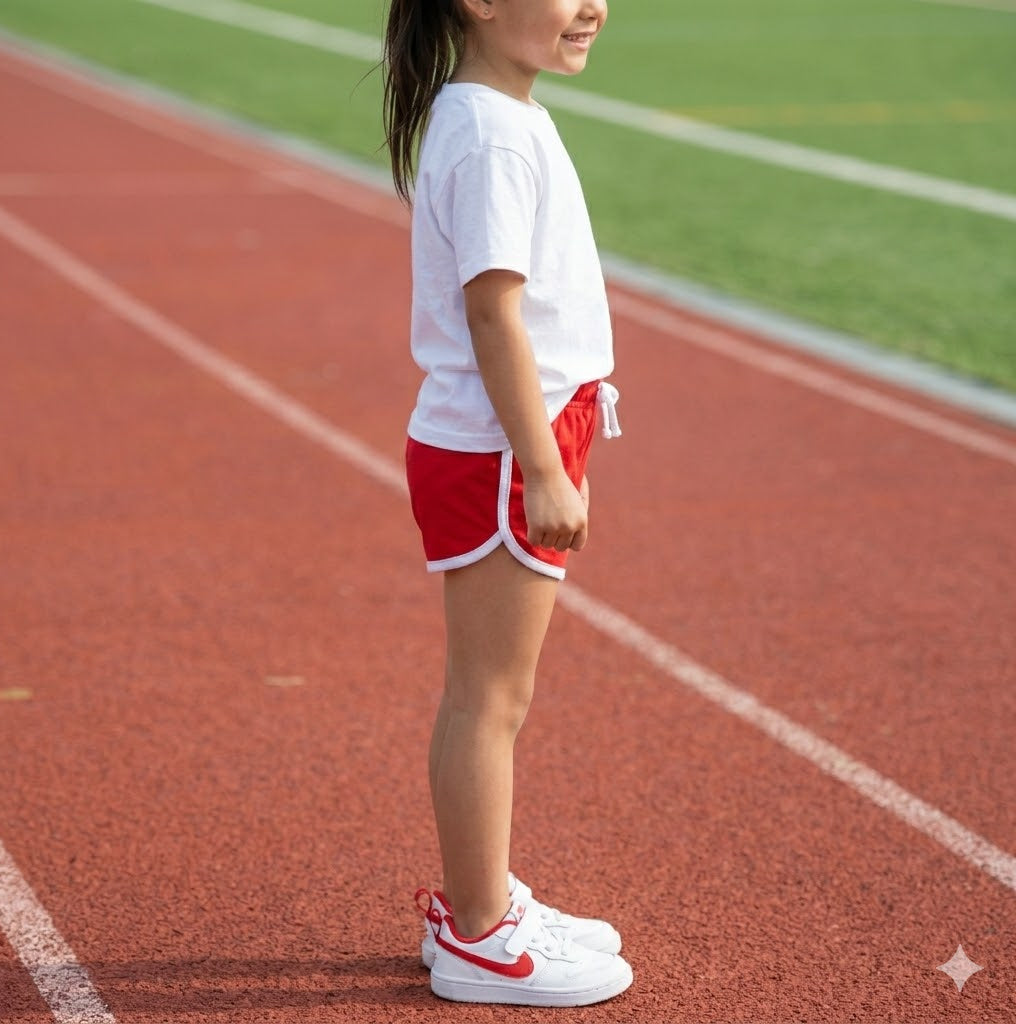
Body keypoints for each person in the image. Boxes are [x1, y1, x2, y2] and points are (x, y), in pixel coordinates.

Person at [382, 0, 632, 1007]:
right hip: (499, 447)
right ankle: (480, 936)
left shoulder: (498, 112)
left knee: (491, 694)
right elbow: (494, 312)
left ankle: (481, 902)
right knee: (489, 699)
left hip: (510, 438)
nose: (592, 7)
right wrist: (540, 465)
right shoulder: (489, 132)